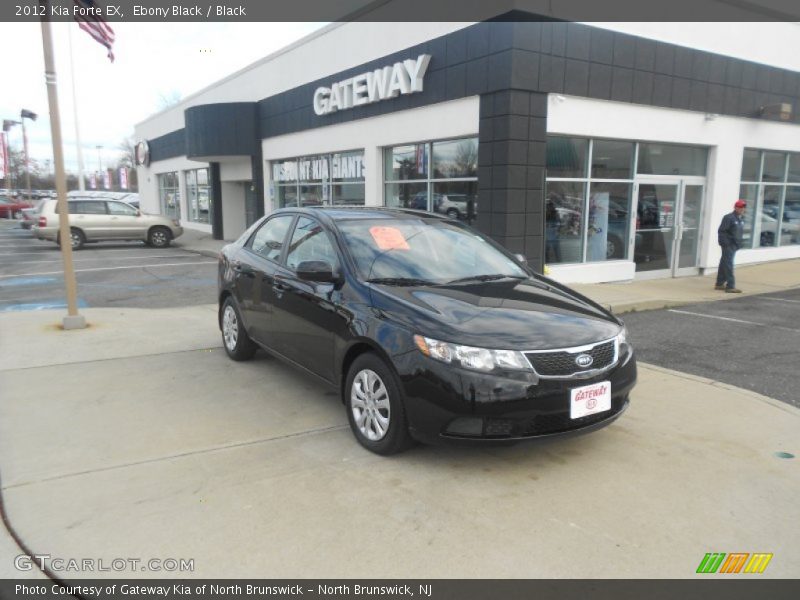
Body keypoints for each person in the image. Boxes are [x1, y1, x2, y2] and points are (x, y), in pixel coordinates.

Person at [715, 200, 746, 293]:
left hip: (734, 245)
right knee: (729, 265)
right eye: (740, 207)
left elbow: (738, 233)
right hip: (728, 245)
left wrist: (738, 244)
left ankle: (719, 283)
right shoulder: (729, 218)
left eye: (743, 208)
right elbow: (722, 231)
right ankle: (730, 286)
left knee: (724, 263)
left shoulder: (740, 219)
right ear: (736, 208)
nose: (742, 209)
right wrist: (726, 243)